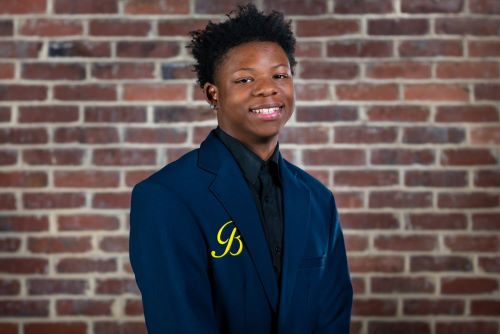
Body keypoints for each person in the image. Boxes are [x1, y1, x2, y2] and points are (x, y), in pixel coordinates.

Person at [129, 4, 352, 334]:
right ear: (212, 94)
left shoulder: (318, 200)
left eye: (279, 75)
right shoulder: (166, 197)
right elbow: (179, 322)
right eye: (245, 79)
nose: (267, 88)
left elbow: (333, 314)